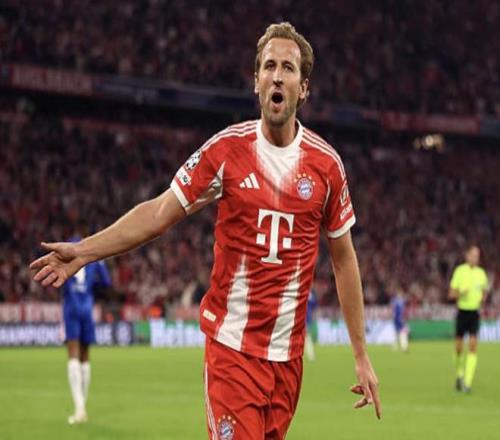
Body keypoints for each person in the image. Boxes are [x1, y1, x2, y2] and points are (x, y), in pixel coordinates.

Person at [30, 22, 381, 438]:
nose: (276, 76)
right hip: (231, 351)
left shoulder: (326, 166)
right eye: (269, 66)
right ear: (255, 81)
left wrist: (361, 354)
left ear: (303, 88)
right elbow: (159, 212)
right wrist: (84, 251)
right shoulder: (226, 150)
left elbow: (343, 259)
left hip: (287, 362)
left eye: (288, 68)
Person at [61, 235, 112, 424]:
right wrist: (99, 267)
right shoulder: (92, 255)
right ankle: (82, 407)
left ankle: (79, 408)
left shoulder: (67, 252)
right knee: (85, 356)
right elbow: (106, 282)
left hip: (71, 307)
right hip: (87, 307)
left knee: (73, 354)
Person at [448, 245, 488, 393]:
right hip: (462, 312)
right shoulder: (460, 271)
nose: (475, 258)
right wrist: (461, 294)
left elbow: (484, 291)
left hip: (474, 313)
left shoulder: (481, 274)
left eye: (477, 256)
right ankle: (459, 374)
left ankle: (467, 382)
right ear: (467, 255)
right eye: (473, 255)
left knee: (472, 346)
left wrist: (483, 298)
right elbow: (451, 294)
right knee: (458, 348)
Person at [391, 288, 409, 352]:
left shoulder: (401, 301)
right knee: (398, 333)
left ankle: (403, 346)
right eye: (399, 293)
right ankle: (400, 346)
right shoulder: (396, 301)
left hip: (400, 319)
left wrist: (403, 317)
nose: (400, 294)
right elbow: (394, 310)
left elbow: (403, 311)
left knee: (401, 333)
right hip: (397, 319)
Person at [304, 289, 318, 361]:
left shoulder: (309, 295)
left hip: (306, 319)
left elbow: (315, 306)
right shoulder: (310, 296)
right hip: (305, 319)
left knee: (307, 337)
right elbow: (315, 306)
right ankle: (311, 355)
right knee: (307, 338)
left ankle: (310, 355)